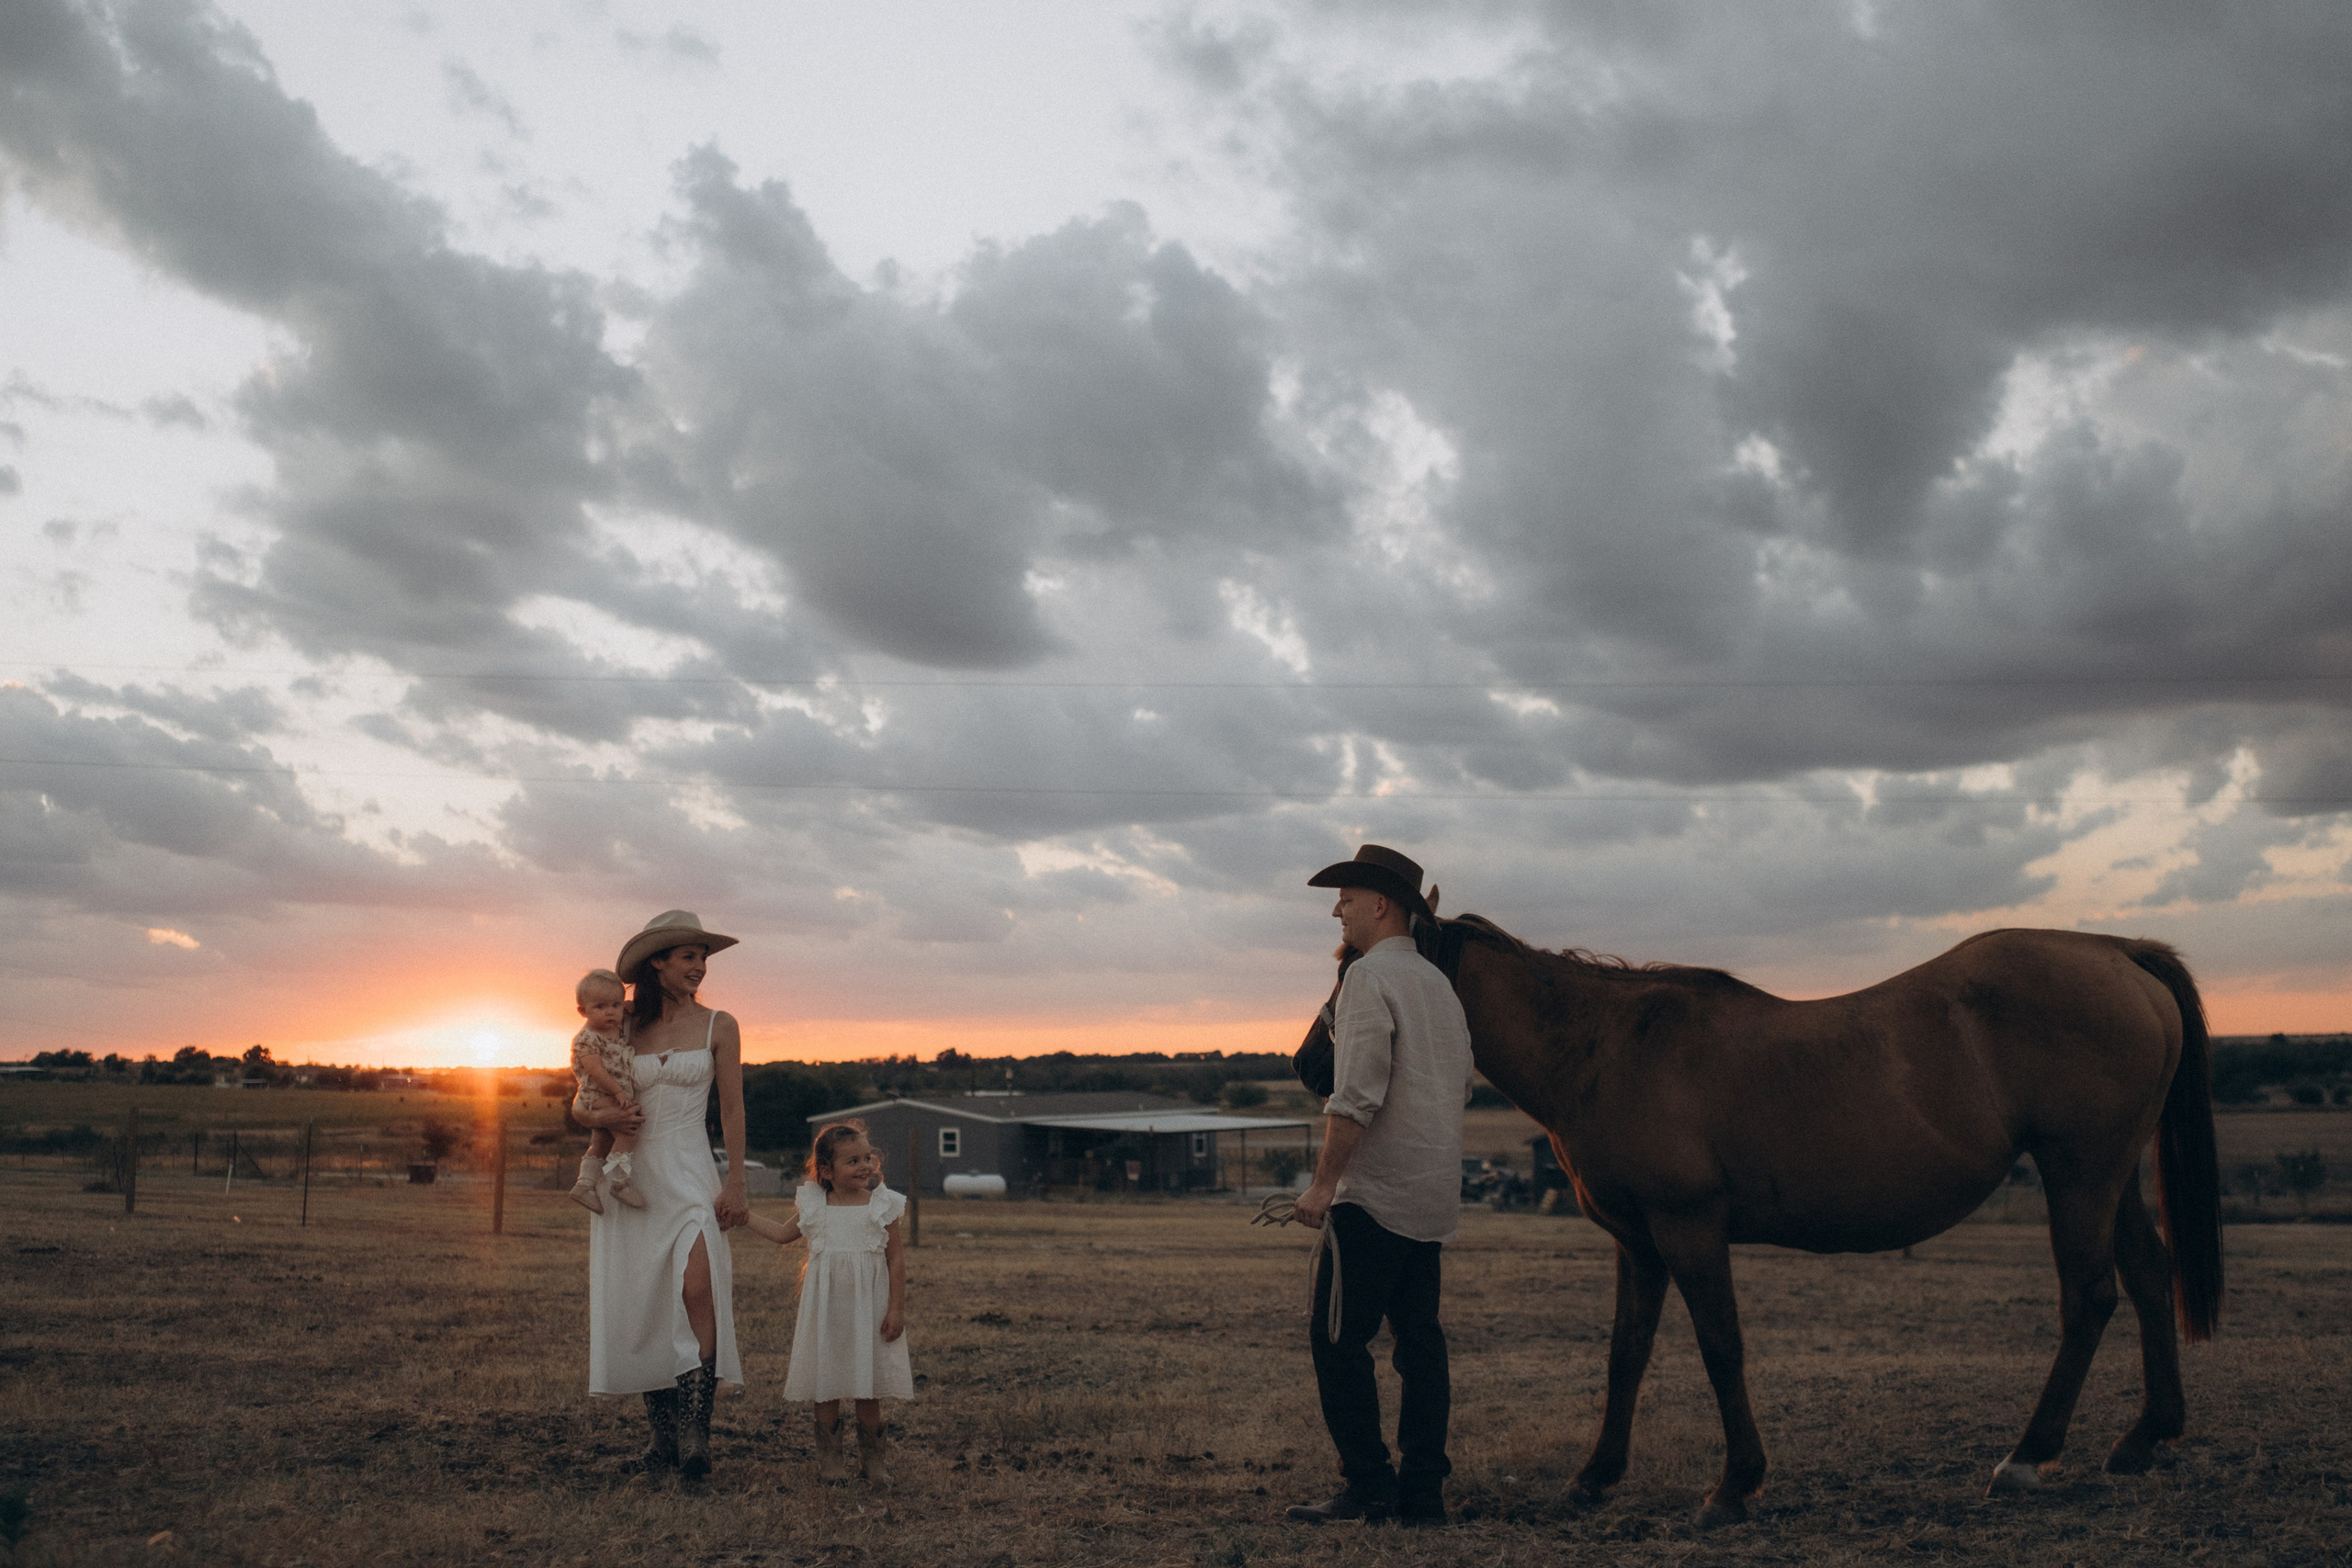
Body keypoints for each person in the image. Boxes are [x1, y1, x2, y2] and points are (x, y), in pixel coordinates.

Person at [1284, 845, 1475, 1529]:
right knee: (1420, 1346)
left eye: (1346, 896)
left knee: (1336, 1343)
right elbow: (1459, 1086)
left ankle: (1370, 1487)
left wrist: (1320, 1187)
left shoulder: (1367, 979)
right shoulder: (1441, 988)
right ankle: (1423, 1496)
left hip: (1374, 1199)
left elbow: (1355, 1093)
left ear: (1381, 904)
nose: (1336, 908)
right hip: (1430, 1200)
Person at [587, 910, 752, 1480]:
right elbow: (581, 1099)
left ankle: (695, 1430)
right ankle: (661, 1437)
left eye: (703, 958)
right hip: (630, 1174)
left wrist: (737, 1181)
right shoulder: (622, 1026)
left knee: (696, 1287)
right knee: (645, 1300)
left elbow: (732, 1108)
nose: (700, 967)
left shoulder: (719, 1026)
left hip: (691, 1174)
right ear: (657, 962)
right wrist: (601, 1115)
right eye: (689, 956)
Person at [743, 1120, 913, 1483]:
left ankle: (873, 1462)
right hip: (827, 1312)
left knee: (868, 1388)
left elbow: (895, 1259)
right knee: (828, 1383)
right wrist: (744, 1217)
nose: (865, 1166)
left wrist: (896, 1309)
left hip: (870, 1312)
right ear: (826, 1171)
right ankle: (831, 1463)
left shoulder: (882, 1205)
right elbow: (780, 1234)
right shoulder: (815, 1205)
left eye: (868, 1157)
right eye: (852, 1161)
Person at [566, 969, 645, 1213]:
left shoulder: (616, 1027)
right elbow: (596, 1071)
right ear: (583, 1011)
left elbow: (624, 1010)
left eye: (615, 1005)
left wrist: (628, 1007)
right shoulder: (587, 1038)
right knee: (628, 1128)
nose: (610, 1012)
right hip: (599, 1094)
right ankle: (620, 1181)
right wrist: (619, 1092)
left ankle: (584, 1185)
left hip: (607, 1094)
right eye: (600, 1006)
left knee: (601, 1140)